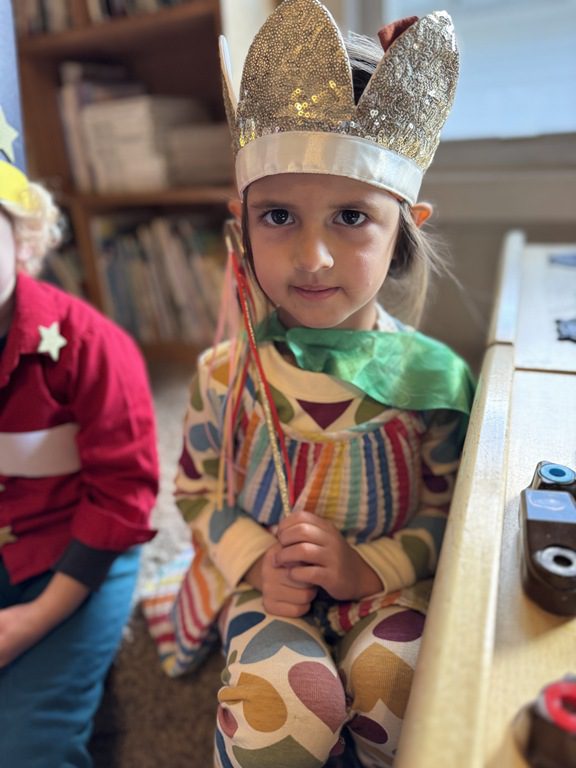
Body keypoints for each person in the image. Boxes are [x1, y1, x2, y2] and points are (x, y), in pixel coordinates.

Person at [144, 1, 475, 766]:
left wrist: (368, 570)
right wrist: (257, 562)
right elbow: (195, 493)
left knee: (401, 694)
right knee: (287, 713)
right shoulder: (224, 377)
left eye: (351, 217)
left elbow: (449, 518)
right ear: (242, 224)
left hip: (387, 587)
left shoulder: (435, 381)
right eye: (280, 216)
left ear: (405, 227)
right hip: (268, 590)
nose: (314, 258)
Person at [0, 5, 159, 765]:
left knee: (30, 745)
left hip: (74, 556)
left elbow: (122, 501)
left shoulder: (92, 348)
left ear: (21, 240)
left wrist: (32, 621)